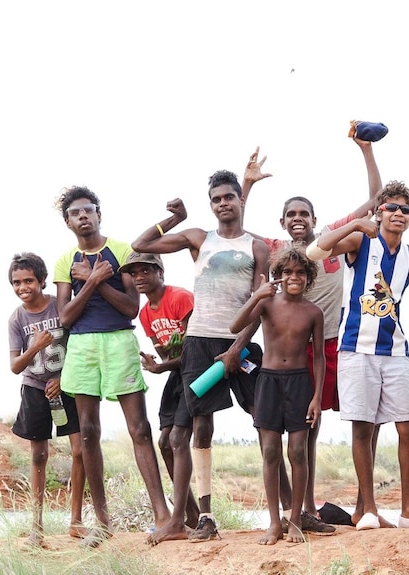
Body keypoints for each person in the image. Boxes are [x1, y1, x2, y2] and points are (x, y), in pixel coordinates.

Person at [239, 138, 381, 533]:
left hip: (330, 342)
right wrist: (247, 185)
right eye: (291, 214)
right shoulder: (275, 249)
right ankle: (299, 511)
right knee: (290, 437)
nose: (298, 218)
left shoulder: (331, 240)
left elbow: (374, 199)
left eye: (304, 213)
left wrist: (366, 150)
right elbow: (234, 229)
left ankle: (315, 509)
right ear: (283, 222)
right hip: (283, 354)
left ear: (316, 220)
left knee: (311, 430)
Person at [132, 169, 269, 543]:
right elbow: (140, 243)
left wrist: (237, 348)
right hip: (198, 344)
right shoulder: (198, 239)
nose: (223, 203)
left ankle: (285, 513)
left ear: (240, 199)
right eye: (216, 199)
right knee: (197, 428)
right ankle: (200, 519)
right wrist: (174, 219)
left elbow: (259, 307)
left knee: (266, 420)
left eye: (229, 197)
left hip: (237, 345)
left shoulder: (258, 248)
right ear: (210, 205)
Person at [53, 186, 170, 547]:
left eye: (89, 209)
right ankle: (103, 522)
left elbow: (130, 307)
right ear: (68, 222)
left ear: (99, 214)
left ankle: (162, 516)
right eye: (76, 212)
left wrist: (97, 281)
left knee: (139, 429)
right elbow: (66, 317)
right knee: (87, 431)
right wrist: (90, 280)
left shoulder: (121, 251)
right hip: (83, 346)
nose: (83, 216)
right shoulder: (64, 262)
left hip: (119, 340)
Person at [306, 181, 409, 530]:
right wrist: (356, 223)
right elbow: (316, 252)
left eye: (406, 209)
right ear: (379, 212)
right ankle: (368, 510)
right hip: (356, 347)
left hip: (395, 349)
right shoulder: (362, 241)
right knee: (363, 426)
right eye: (392, 207)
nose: (398, 214)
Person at [230, 246, 325, 544]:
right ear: (279, 277)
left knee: (297, 451)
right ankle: (274, 522)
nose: (293, 277)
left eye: (300, 272)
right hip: (268, 381)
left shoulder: (313, 312)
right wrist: (257, 295)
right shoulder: (267, 304)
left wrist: (317, 398)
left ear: (308, 277)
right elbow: (235, 326)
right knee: (270, 451)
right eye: (287, 272)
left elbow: (319, 357)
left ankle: (295, 519)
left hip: (299, 382)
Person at [7, 252, 88, 548]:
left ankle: (76, 520)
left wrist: (64, 378)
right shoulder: (17, 318)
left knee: (79, 449)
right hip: (34, 388)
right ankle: (36, 527)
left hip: (68, 386)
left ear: (42, 280)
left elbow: (80, 343)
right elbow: (15, 366)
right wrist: (35, 347)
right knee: (38, 455)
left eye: (28, 280)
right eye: (16, 282)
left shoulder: (58, 306)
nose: (23, 287)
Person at [121, 251, 201, 539]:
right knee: (165, 441)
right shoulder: (145, 313)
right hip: (176, 374)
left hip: (197, 373)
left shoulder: (180, 298)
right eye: (135, 273)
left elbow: (195, 348)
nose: (139, 277)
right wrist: (159, 363)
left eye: (146, 271)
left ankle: (177, 521)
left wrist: (162, 366)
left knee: (179, 439)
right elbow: (166, 351)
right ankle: (190, 514)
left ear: (160, 273)